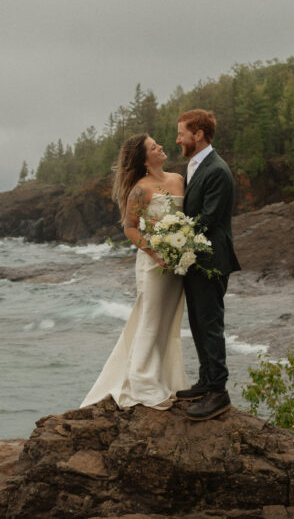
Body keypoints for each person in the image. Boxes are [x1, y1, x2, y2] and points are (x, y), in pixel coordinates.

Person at [80, 133, 189, 410]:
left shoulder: (178, 179)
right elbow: (130, 228)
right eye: (154, 147)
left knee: (169, 321)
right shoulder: (140, 189)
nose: (161, 146)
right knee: (150, 320)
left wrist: (185, 246)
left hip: (179, 261)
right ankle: (142, 384)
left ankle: (165, 379)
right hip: (154, 263)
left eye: (157, 143)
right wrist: (155, 252)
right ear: (143, 159)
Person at [174, 109, 240, 421]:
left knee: (210, 323)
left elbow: (209, 219)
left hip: (211, 258)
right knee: (198, 321)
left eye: (181, 133)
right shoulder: (195, 165)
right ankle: (205, 381)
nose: (178, 139)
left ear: (198, 135)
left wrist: (172, 238)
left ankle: (219, 392)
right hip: (195, 258)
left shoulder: (217, 170)